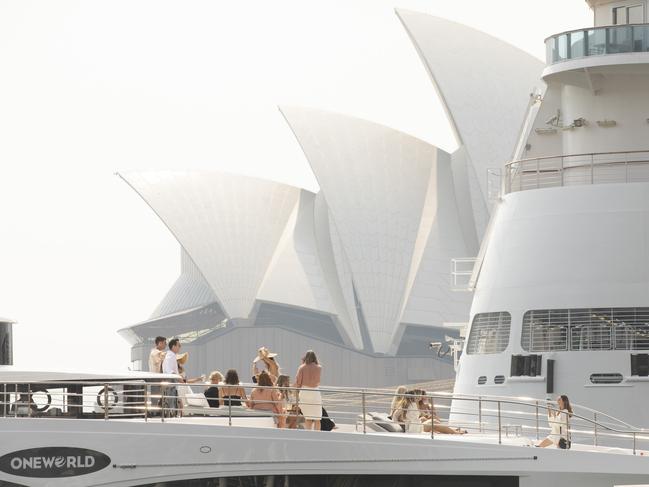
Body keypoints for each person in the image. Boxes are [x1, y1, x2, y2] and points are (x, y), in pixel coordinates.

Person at [295, 350, 322, 430]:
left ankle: (308, 433)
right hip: (315, 392)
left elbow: (298, 381)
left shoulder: (302, 367)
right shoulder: (319, 367)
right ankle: (317, 435)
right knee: (317, 418)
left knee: (308, 417)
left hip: (305, 391)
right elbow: (318, 381)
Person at [161, 338, 182, 417]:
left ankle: (171, 414)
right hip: (171, 381)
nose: (180, 347)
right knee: (171, 401)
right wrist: (179, 378)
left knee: (172, 401)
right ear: (173, 346)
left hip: (170, 381)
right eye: (179, 345)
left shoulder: (170, 355)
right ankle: (172, 415)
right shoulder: (171, 355)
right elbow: (170, 370)